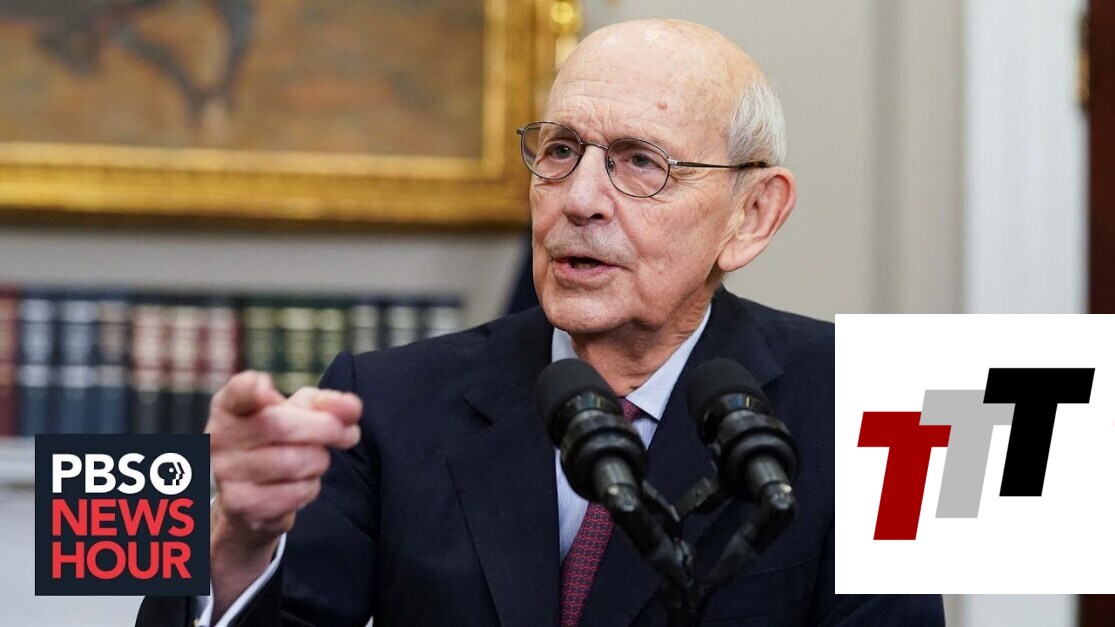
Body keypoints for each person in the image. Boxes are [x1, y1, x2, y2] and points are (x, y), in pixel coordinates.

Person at [138, 18, 944, 627]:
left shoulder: (882, 406)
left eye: (639, 161)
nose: (579, 198)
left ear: (752, 214)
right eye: (559, 150)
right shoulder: (380, 401)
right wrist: (234, 541)